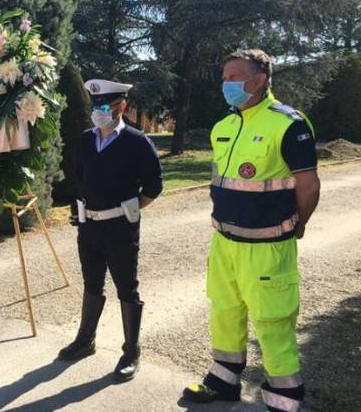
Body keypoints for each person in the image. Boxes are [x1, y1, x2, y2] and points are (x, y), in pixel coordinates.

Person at [182, 49, 321, 412]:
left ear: (258, 81)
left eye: (233, 77)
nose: (225, 84)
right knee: (224, 310)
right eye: (224, 77)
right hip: (224, 243)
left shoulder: (288, 124)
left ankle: (284, 393)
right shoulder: (223, 126)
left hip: (268, 246)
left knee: (272, 319)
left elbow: (308, 187)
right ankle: (224, 379)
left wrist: (298, 225)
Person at [59, 78, 163, 383]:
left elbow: (154, 185)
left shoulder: (136, 141)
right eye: (96, 105)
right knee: (92, 283)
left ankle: (131, 352)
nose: (100, 111)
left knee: (126, 287)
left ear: (122, 106)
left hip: (120, 228)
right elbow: (79, 179)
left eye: (107, 105)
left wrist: (130, 210)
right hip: (89, 227)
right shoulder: (85, 141)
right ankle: (85, 340)